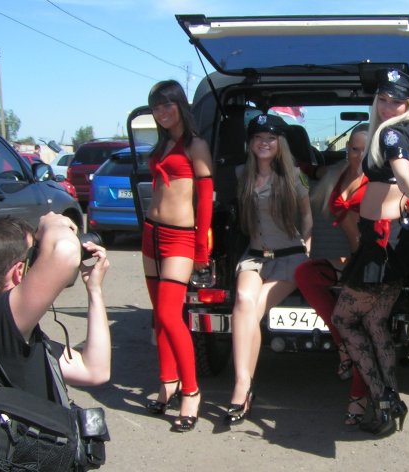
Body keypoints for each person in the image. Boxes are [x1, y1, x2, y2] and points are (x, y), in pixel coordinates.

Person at [331, 69, 409, 435]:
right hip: (390, 240)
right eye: (382, 99)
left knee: (344, 319)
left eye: (395, 101)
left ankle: (383, 397)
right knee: (374, 323)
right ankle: (391, 402)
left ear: (408, 103)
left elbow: (404, 179)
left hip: (383, 243)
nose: (386, 107)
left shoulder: (393, 133)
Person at [0, 212, 111, 399]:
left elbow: (94, 371)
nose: (42, 258)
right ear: (19, 271)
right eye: (37, 252)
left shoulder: (16, 333)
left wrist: (94, 290)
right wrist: (51, 222)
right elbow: (65, 250)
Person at [225, 113, 313, 425]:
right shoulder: (241, 174)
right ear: (250, 143)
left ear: (280, 143)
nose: (264, 142)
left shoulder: (296, 176)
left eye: (270, 138)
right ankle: (243, 382)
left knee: (256, 306)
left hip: (290, 256)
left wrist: (308, 247)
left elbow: (307, 216)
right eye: (258, 137)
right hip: (254, 256)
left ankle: (243, 388)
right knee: (243, 301)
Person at [142, 80, 213, 432]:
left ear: (180, 105)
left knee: (172, 315)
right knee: (159, 316)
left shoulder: (195, 145)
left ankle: (191, 391)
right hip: (151, 234)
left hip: (180, 237)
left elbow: (206, 198)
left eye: (167, 104)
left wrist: (201, 248)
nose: (162, 112)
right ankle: (167, 381)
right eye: (156, 107)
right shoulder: (162, 145)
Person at [294, 124, 370, 425]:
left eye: (366, 150)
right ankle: (341, 346)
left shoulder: (381, 180)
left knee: (357, 327)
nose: (359, 156)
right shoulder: (336, 173)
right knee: (305, 274)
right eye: (354, 149)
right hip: (340, 260)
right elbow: (312, 171)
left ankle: (359, 396)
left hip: (369, 265)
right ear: (347, 149)